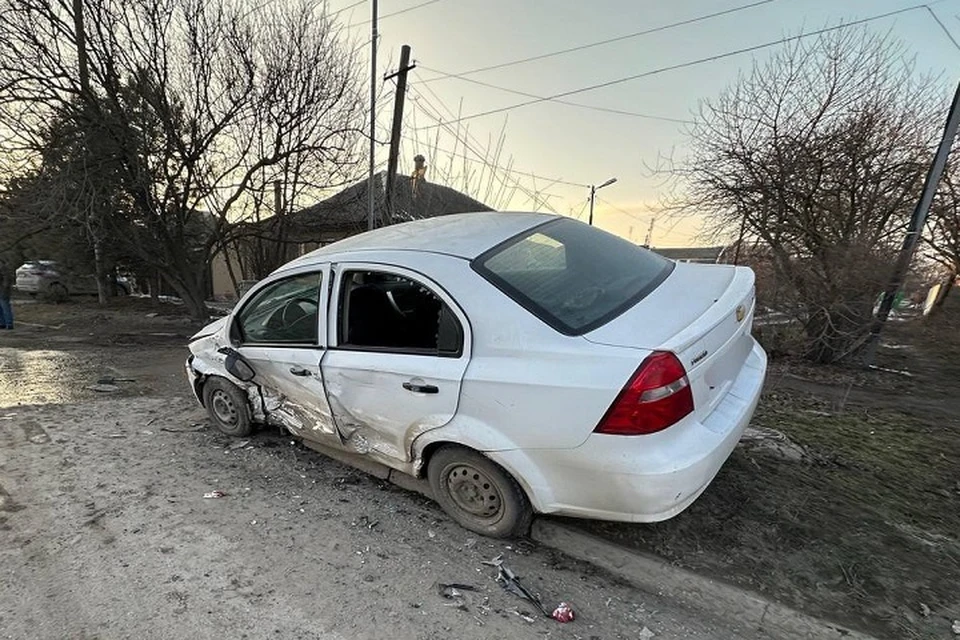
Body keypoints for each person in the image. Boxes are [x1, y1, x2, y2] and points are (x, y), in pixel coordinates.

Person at [0, 258, 13, 330]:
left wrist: (5, 287)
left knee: (5, 307)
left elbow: (7, 277)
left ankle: (9, 323)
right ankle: (2, 323)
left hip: (2, 290)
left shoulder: (2, 266)